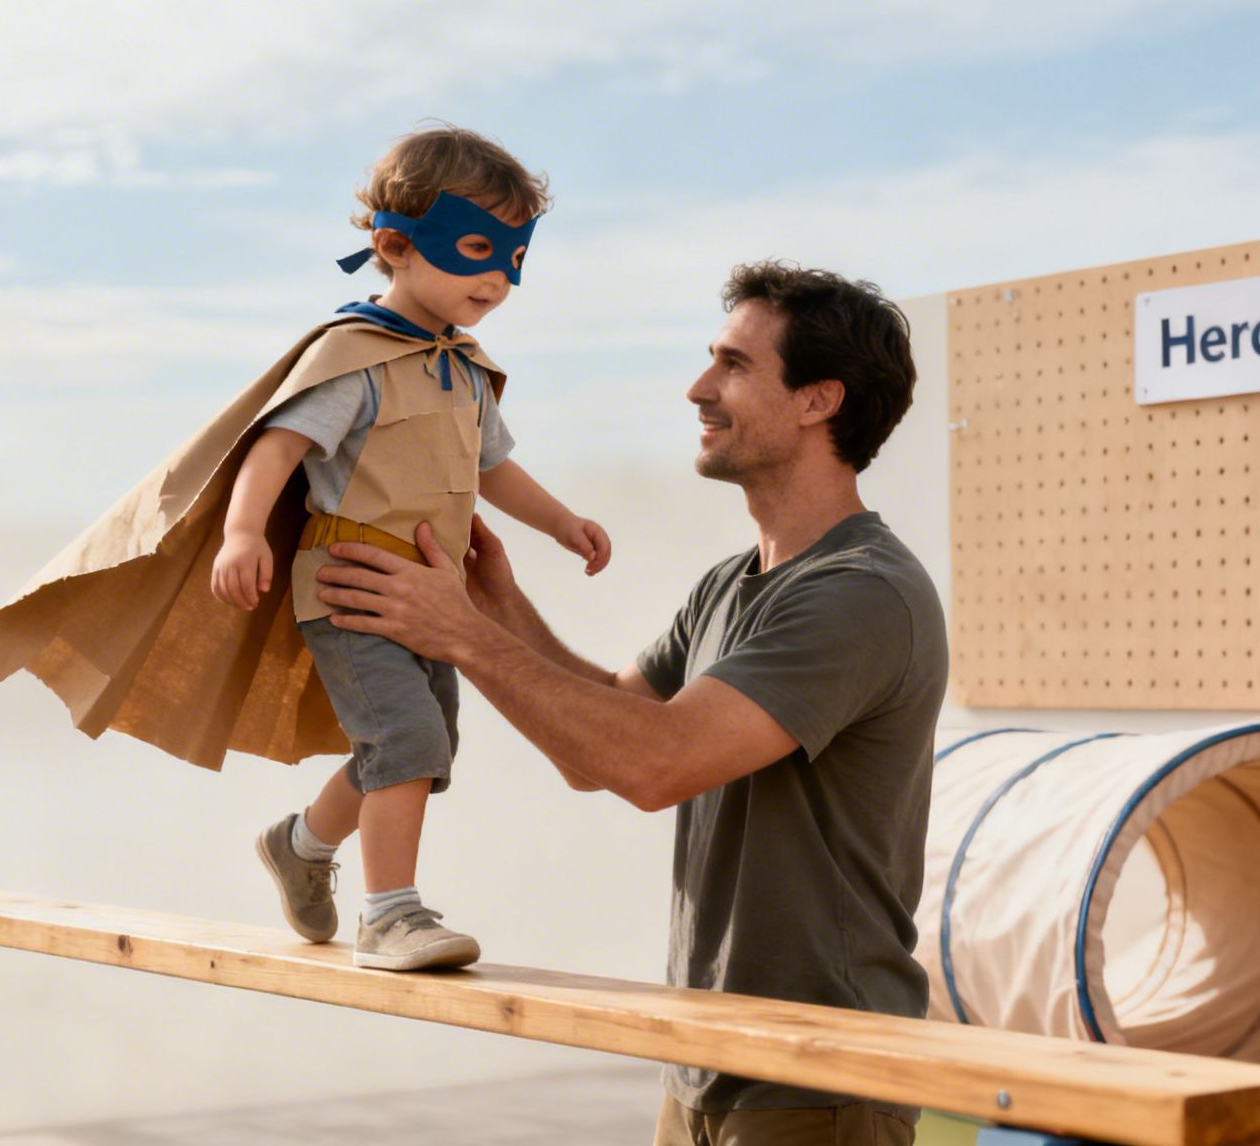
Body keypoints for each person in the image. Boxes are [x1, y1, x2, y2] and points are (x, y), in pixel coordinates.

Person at [311, 261, 946, 1145]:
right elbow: (597, 737)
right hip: (705, 1063)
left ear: (818, 401)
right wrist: (498, 608)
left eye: (733, 366)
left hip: (816, 1078)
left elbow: (654, 764)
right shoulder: (733, 583)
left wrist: (461, 635)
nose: (698, 388)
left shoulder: (860, 595)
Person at [0, 124, 608, 974]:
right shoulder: (353, 356)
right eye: (479, 249)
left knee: (421, 746)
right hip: (351, 584)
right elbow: (274, 449)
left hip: (434, 597)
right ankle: (391, 916)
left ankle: (302, 845)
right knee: (409, 743)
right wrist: (241, 533)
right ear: (395, 245)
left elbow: (497, 470)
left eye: (514, 258)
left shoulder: (462, 366)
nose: (498, 276)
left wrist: (562, 523)